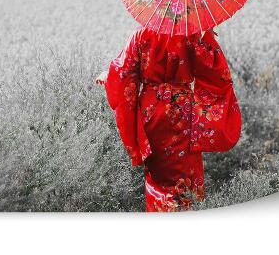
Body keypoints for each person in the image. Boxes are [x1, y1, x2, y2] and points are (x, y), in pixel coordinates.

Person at [97, 26, 241, 212]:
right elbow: (217, 75)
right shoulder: (192, 32)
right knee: (186, 174)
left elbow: (123, 73)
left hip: (152, 113)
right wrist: (207, 39)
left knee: (158, 178)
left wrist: (109, 77)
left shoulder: (141, 35)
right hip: (183, 112)